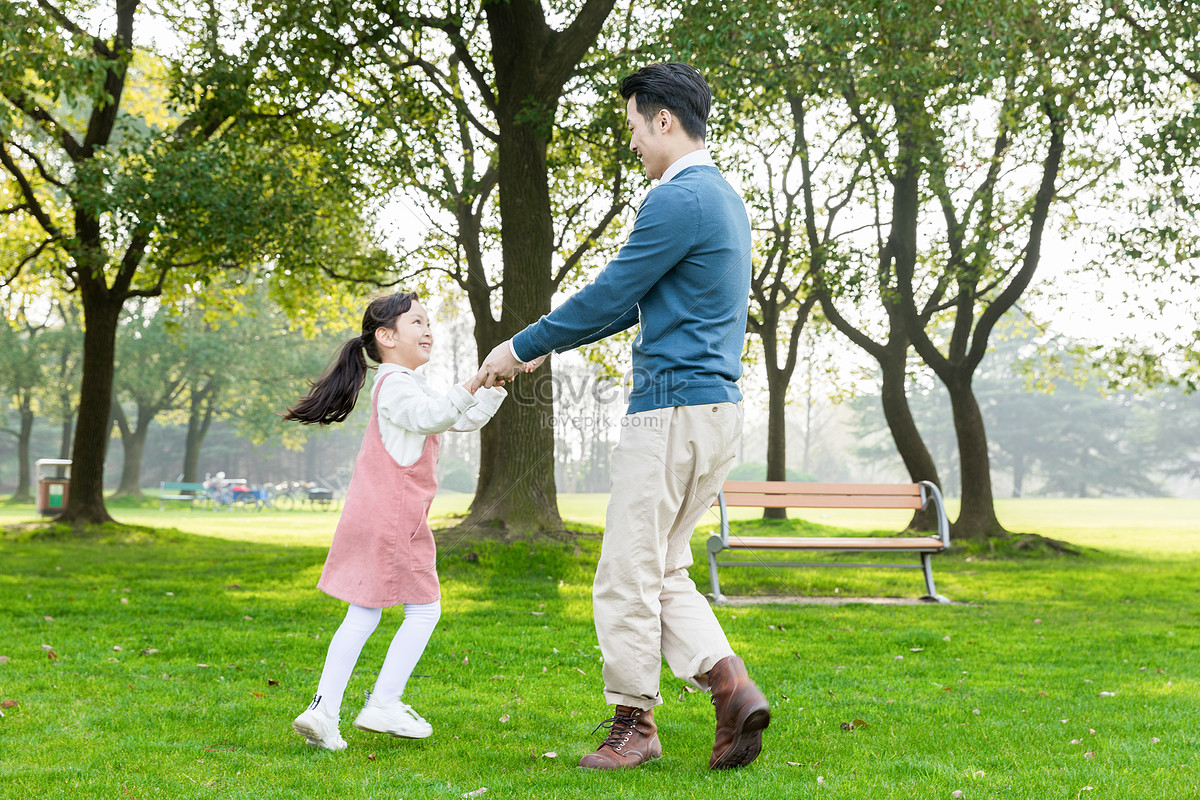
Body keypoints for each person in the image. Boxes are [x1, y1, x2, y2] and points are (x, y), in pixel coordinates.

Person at [471, 62, 770, 770]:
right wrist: (549, 349)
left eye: (633, 126)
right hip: (715, 411)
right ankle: (730, 687)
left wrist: (519, 346)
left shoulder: (678, 199)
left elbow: (612, 293)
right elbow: (638, 299)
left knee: (625, 572)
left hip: (668, 411)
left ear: (664, 120)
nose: (631, 141)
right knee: (664, 568)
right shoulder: (725, 198)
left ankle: (633, 724)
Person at [284, 291, 508, 751]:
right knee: (424, 609)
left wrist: (494, 385)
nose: (428, 330)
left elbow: (458, 420)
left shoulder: (403, 383)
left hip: (375, 517)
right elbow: (435, 416)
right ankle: (384, 702)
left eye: (429, 323)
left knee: (363, 614)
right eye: (418, 323)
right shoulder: (397, 386)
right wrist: (474, 382)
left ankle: (324, 711)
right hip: (394, 521)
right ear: (386, 337)